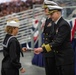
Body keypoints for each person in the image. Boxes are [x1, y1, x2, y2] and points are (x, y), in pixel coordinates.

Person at [34, 2, 74, 75]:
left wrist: (43, 49)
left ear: (58, 13)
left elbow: (57, 42)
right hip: (58, 57)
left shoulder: (63, 24)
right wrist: (42, 48)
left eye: (52, 14)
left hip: (65, 58)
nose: (50, 16)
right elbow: (50, 38)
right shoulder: (56, 24)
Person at [41, 0, 58, 75]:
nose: (45, 10)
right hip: (46, 50)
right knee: (48, 71)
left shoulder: (54, 20)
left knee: (53, 71)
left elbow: (54, 37)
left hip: (52, 50)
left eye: (46, 8)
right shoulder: (47, 20)